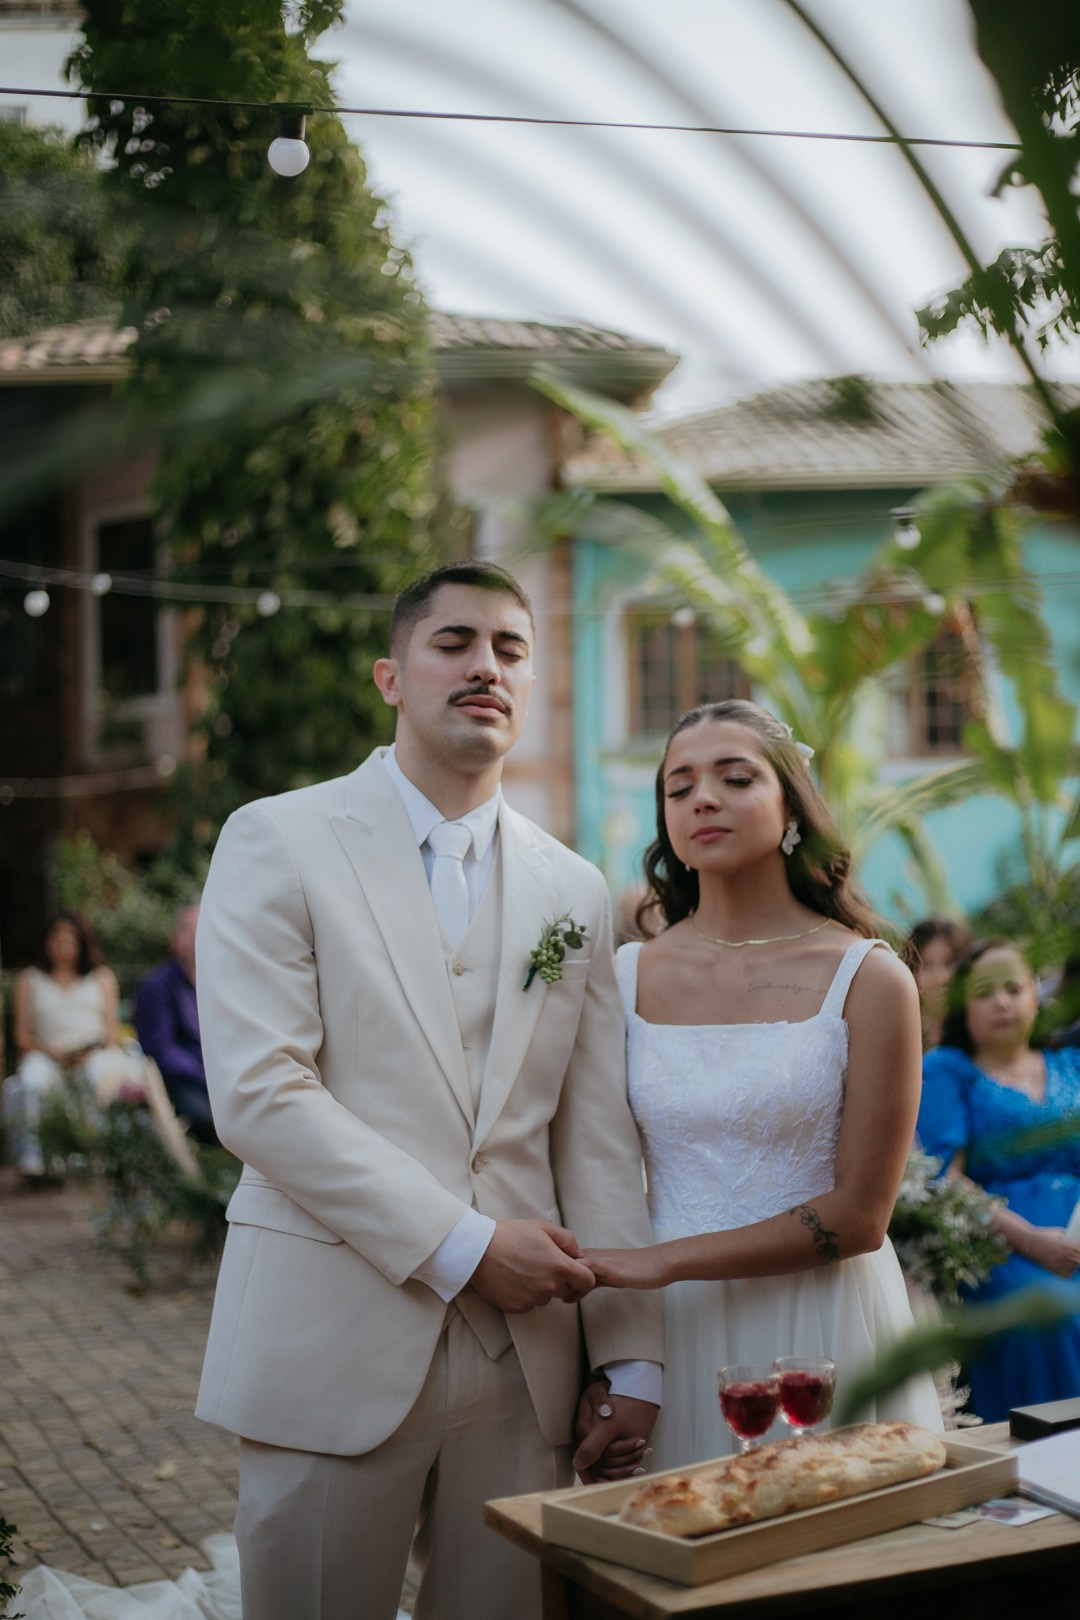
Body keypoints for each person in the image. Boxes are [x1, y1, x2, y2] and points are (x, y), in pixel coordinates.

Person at [194, 561, 663, 1620]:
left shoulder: (573, 889)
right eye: (453, 642)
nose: (484, 665)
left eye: (508, 648)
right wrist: (466, 1246)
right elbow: (263, 1094)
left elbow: (594, 1139)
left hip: (527, 1367)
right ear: (391, 677)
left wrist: (634, 1356)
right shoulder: (278, 838)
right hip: (332, 1334)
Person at [581, 699, 942, 1468]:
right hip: (667, 1335)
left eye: (734, 777)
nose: (702, 798)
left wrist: (662, 1261)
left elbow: (860, 1216)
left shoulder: (869, 978)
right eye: (678, 788)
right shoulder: (622, 976)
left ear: (792, 811)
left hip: (820, 1326)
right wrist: (615, 1349)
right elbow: (593, 1164)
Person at [917, 937, 1080, 1421]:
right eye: (985, 991)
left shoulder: (1071, 1063)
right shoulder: (948, 1071)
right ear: (964, 1005)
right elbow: (944, 1179)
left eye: (1014, 987)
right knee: (1051, 1314)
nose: (1003, 1001)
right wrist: (1031, 1240)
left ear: (1036, 996)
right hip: (1001, 1245)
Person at [4, 914, 196, 1184]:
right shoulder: (29, 979)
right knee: (31, 1080)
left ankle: (98, 1154)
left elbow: (111, 1031)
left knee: (100, 1077)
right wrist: (52, 1052)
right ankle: (32, 1162)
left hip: (93, 1052)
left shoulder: (101, 977)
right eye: (57, 939)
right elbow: (22, 1036)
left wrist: (86, 1051)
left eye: (69, 940)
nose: (63, 946)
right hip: (46, 1053)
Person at [134, 902, 217, 1145]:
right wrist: (205, 1075)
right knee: (206, 1120)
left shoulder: (219, 982)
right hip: (182, 1080)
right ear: (176, 937)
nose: (197, 936)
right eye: (189, 929)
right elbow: (160, 1049)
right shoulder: (156, 986)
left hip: (222, 1076)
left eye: (203, 928)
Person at [904, 916, 972, 1050]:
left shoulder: (982, 1027)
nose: (941, 978)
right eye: (926, 965)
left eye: (950, 962)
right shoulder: (906, 1038)